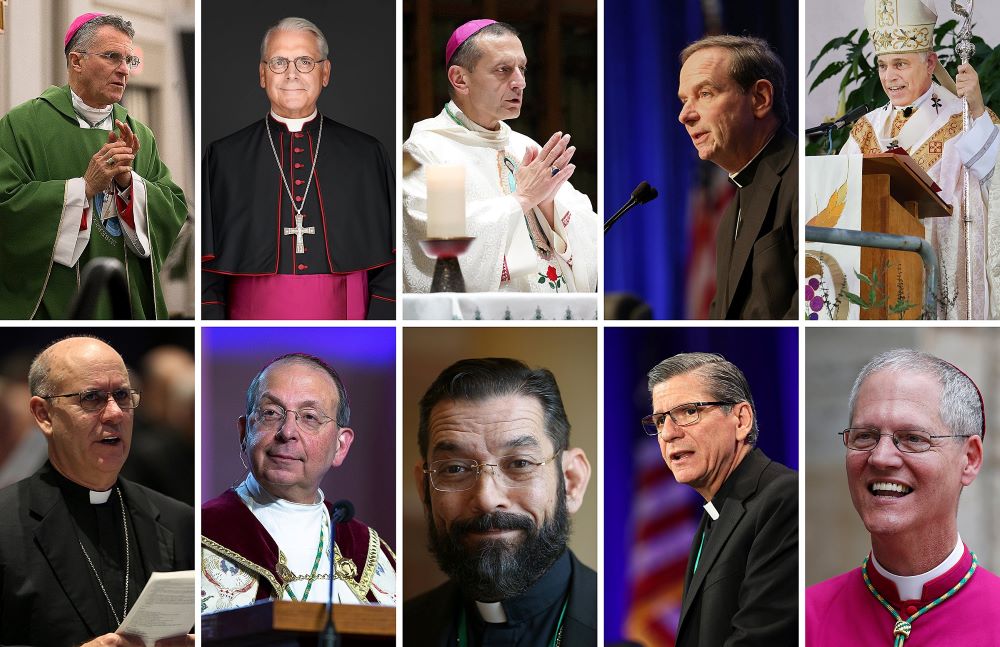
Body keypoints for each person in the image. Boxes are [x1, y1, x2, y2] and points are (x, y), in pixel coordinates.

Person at [0, 336, 194, 646]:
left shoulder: (180, 522)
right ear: (44, 415)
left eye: (122, 395)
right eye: (92, 398)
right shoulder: (5, 524)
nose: (115, 413)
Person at [202, 17, 395, 320]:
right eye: (279, 62)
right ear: (263, 74)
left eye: (305, 62)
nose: (291, 74)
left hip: (349, 314)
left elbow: (390, 262)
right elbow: (207, 271)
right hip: (251, 316)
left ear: (325, 72)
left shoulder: (366, 154)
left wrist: (381, 322)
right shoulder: (224, 156)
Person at [0, 13, 187, 320]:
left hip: (123, 299)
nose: (124, 70)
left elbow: (172, 205)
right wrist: (82, 188)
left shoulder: (138, 133)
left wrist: (130, 185)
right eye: (113, 56)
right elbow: (6, 204)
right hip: (55, 303)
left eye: (129, 60)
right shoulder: (23, 126)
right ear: (77, 61)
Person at [806, 349, 1000, 645]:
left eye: (913, 438)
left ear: (969, 459)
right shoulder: (807, 616)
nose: (881, 457)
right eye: (865, 436)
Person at [405, 358, 596, 646]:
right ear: (424, 489)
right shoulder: (403, 630)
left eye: (520, 463)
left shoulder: (619, 627)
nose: (486, 499)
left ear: (571, 481)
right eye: (455, 469)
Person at [402, 20, 600, 293]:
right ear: (460, 79)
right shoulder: (428, 150)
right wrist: (521, 199)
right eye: (503, 70)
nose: (520, 82)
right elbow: (442, 247)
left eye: (522, 68)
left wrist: (549, 208)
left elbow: (588, 229)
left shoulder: (526, 148)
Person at [842, 0, 1000, 320]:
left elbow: (993, 180)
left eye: (900, 64)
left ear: (929, 63)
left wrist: (979, 109)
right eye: (883, 65)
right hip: (879, 271)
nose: (889, 77)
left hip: (944, 272)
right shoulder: (865, 129)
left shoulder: (965, 119)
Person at [201, 353, 396, 610]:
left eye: (309, 417)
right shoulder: (200, 532)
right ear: (244, 433)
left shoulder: (371, 550)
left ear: (340, 445)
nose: (288, 432)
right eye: (270, 413)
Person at [645, 353, 797, 646]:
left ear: (741, 420)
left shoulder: (781, 498)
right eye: (660, 420)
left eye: (688, 412)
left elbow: (760, 638)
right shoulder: (715, 513)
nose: (668, 434)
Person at [677, 35, 798, 319]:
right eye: (684, 100)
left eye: (705, 94)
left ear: (760, 99)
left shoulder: (802, 180)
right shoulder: (731, 211)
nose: (685, 115)